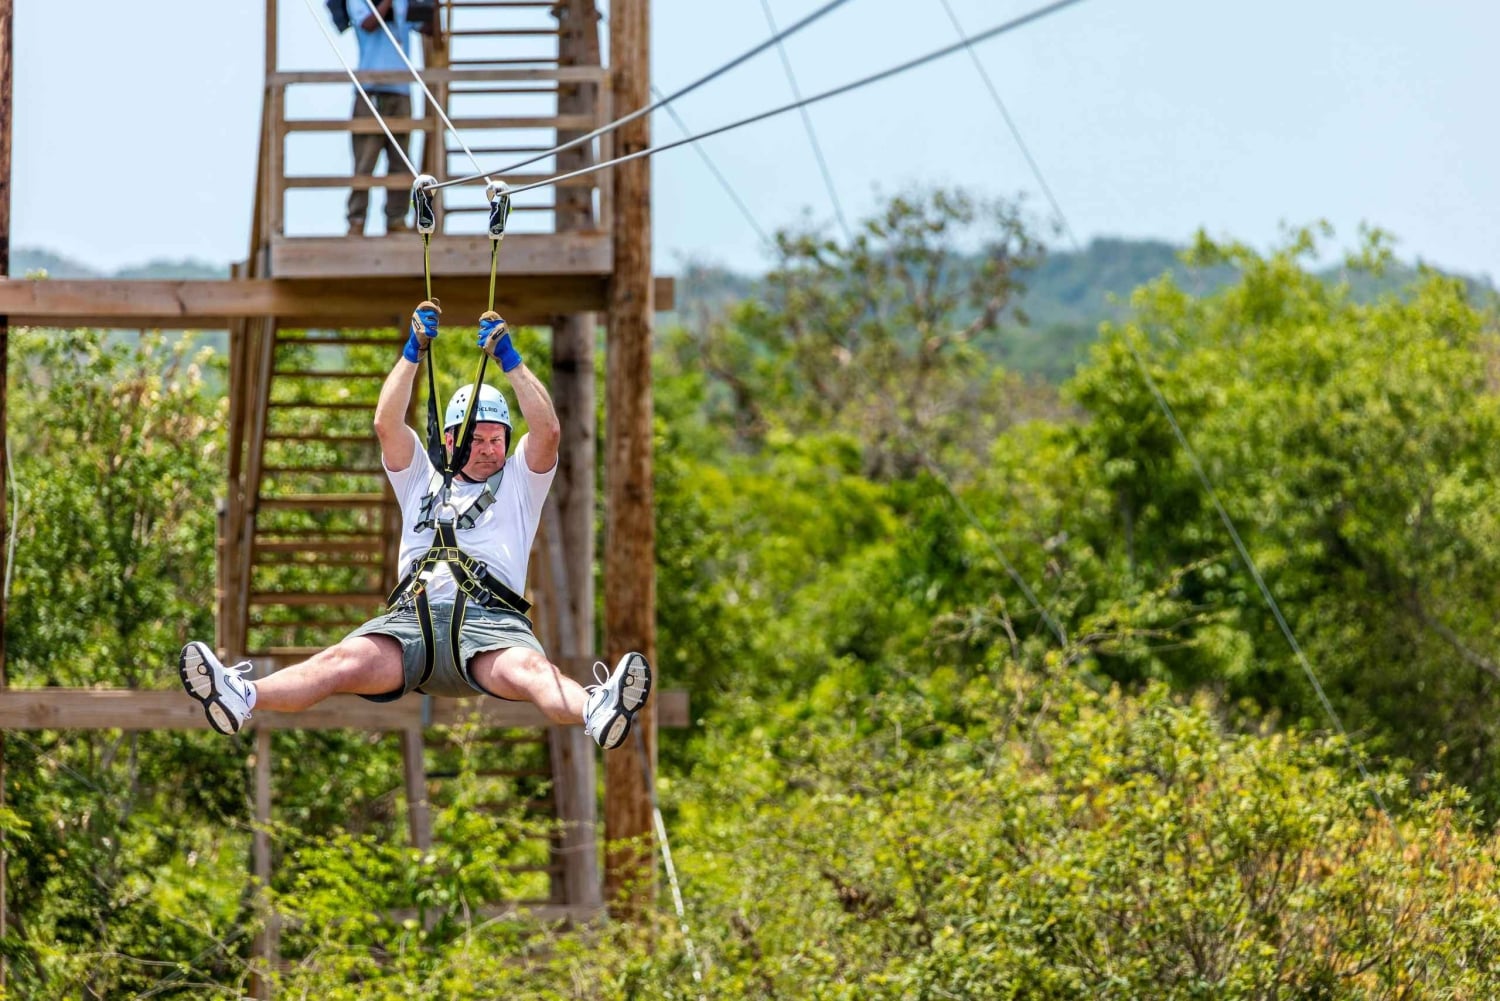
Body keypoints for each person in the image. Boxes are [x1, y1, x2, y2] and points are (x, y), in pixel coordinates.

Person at [178, 305, 652, 750]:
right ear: (451, 439)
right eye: (479, 438)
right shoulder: (420, 477)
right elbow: (386, 423)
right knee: (338, 662)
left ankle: (596, 709)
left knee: (532, 670)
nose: (490, 449)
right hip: (411, 624)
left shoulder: (520, 482)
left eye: (497, 439)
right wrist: (412, 353)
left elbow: (547, 432)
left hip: (490, 627)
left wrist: (510, 360)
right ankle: (241, 695)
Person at [346, 0, 417, 237]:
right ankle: (357, 219)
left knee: (401, 159)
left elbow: (427, 28)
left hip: (401, 90)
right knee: (365, 160)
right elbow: (367, 24)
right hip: (371, 90)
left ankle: (396, 219)